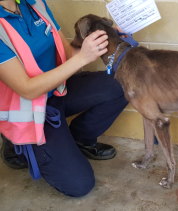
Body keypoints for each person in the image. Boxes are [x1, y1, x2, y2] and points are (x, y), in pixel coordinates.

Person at [0, 0, 128, 197]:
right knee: (79, 185)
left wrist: (103, 42)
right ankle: (14, 144)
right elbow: (27, 90)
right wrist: (83, 58)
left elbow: (68, 54)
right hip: (28, 110)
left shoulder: (34, 4)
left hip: (58, 90)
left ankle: (79, 139)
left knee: (127, 84)